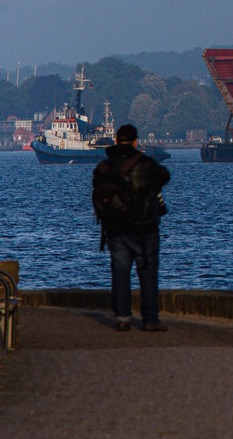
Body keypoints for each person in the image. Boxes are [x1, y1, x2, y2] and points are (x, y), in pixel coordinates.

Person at [92, 123, 172, 332]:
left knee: (119, 272)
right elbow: (165, 176)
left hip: (115, 228)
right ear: (136, 141)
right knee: (147, 271)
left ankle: (122, 317)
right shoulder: (145, 164)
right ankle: (150, 319)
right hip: (144, 226)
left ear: (116, 140)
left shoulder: (103, 168)